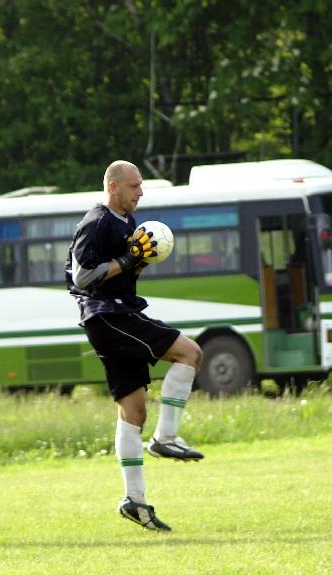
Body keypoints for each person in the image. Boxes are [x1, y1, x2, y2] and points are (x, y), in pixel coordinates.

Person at [64, 160, 203, 533]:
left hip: (112, 314)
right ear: (114, 187)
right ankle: (166, 438)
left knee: (134, 411)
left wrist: (140, 262)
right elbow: (83, 276)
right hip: (108, 315)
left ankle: (135, 502)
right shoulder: (97, 222)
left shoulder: (126, 223)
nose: (140, 192)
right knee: (190, 353)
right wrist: (127, 259)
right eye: (134, 186)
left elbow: (122, 270)